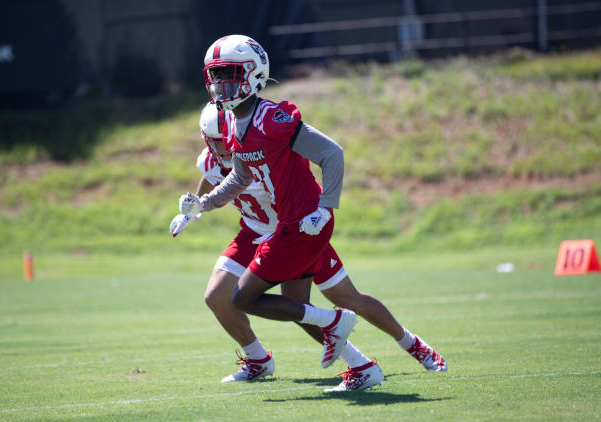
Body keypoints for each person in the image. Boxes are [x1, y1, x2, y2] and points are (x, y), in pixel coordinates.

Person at [173, 102, 446, 390]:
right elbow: (211, 177)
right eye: (216, 141)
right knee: (217, 295)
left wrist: (320, 209)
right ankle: (259, 360)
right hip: (253, 232)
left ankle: (412, 344)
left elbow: (301, 171)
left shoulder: (261, 147)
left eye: (224, 136)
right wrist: (194, 209)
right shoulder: (215, 158)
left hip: (294, 232)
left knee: (344, 299)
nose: (224, 147)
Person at [179, 34, 358, 372]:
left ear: (252, 74)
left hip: (299, 224)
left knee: (262, 300)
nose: (219, 85)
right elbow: (239, 178)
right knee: (267, 302)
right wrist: (202, 206)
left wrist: (326, 206)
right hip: (277, 228)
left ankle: (343, 328)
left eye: (227, 74)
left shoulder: (271, 119)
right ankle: (357, 360)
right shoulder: (234, 125)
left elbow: (332, 153)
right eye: (215, 77)